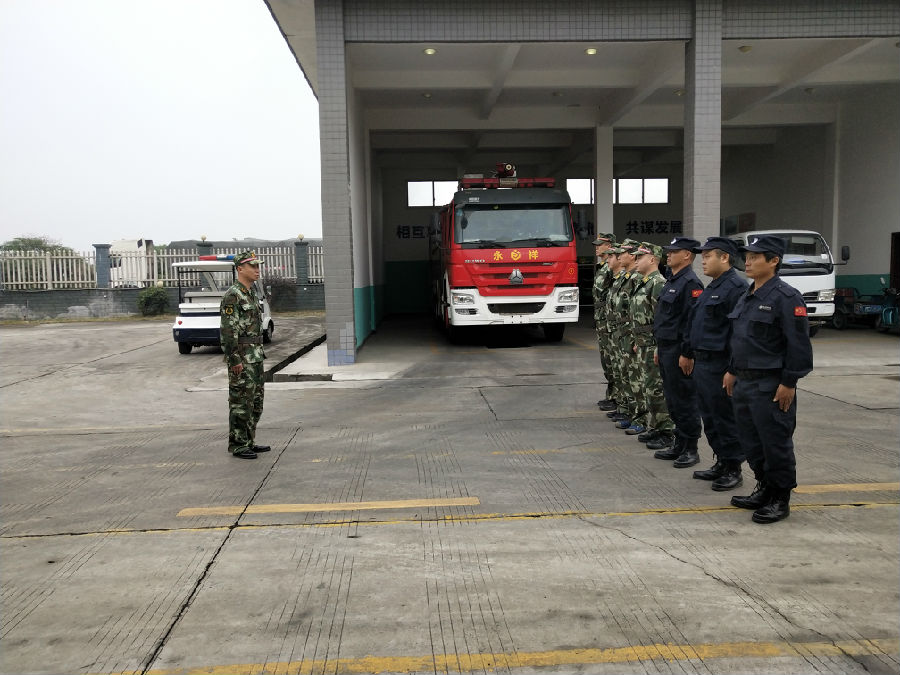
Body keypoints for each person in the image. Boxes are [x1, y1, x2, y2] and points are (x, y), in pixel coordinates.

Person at [724, 234, 813, 523]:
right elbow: (741, 339)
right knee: (751, 442)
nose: (747, 262)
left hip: (771, 385)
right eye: (747, 257)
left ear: (774, 261)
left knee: (775, 442)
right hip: (744, 383)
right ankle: (764, 488)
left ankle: (780, 497)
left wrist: (789, 383)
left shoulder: (786, 297)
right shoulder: (747, 295)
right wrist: (732, 370)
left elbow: (799, 346)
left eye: (755, 257)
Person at [680, 237, 749, 490]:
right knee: (709, 416)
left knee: (725, 418)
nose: (703, 261)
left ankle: (733, 467)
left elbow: (738, 333)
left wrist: (732, 369)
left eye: (708, 256)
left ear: (725, 258)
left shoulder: (736, 287)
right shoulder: (713, 286)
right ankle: (721, 460)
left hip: (720, 364)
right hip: (704, 364)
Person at [649, 237, 704, 466]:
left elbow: (692, 322)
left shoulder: (691, 283)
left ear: (687, 255)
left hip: (679, 350)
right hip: (666, 348)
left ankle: (691, 448)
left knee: (685, 399)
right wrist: (658, 347)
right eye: (668, 251)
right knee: (672, 399)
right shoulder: (672, 280)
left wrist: (687, 353)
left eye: (674, 251)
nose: (668, 255)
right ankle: (679, 443)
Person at [221, 251, 270, 459]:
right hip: (242, 358)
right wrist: (234, 359)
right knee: (241, 403)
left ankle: (249, 441)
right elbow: (228, 331)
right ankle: (238, 445)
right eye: (253, 266)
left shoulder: (250, 293)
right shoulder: (233, 295)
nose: (257, 270)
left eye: (258, 266)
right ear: (240, 269)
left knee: (255, 402)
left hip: (255, 356)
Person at [626, 243, 674, 440]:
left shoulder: (658, 283)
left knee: (657, 389)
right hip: (643, 343)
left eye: (640, 257)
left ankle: (666, 431)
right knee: (648, 388)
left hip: (652, 344)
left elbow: (660, 319)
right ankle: (654, 426)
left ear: (652, 259)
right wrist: (637, 340)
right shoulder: (645, 282)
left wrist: (657, 346)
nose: (636, 260)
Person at [592, 234, 618, 411]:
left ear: (609, 245)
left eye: (600, 245)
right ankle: (611, 394)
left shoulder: (612, 266)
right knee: (606, 358)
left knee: (612, 359)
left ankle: (616, 397)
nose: (596, 247)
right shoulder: (603, 266)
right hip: (601, 317)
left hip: (608, 317)